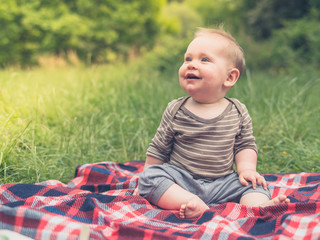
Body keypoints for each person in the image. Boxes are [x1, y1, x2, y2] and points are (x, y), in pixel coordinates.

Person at [133, 27, 290, 219]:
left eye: (204, 59)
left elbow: (245, 145)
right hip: (181, 180)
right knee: (150, 177)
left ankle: (259, 208)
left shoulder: (238, 111)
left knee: (255, 184)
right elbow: (158, 148)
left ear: (229, 77)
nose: (191, 64)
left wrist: (247, 170)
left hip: (222, 182)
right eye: (188, 59)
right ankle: (190, 202)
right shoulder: (175, 110)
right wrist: (144, 182)